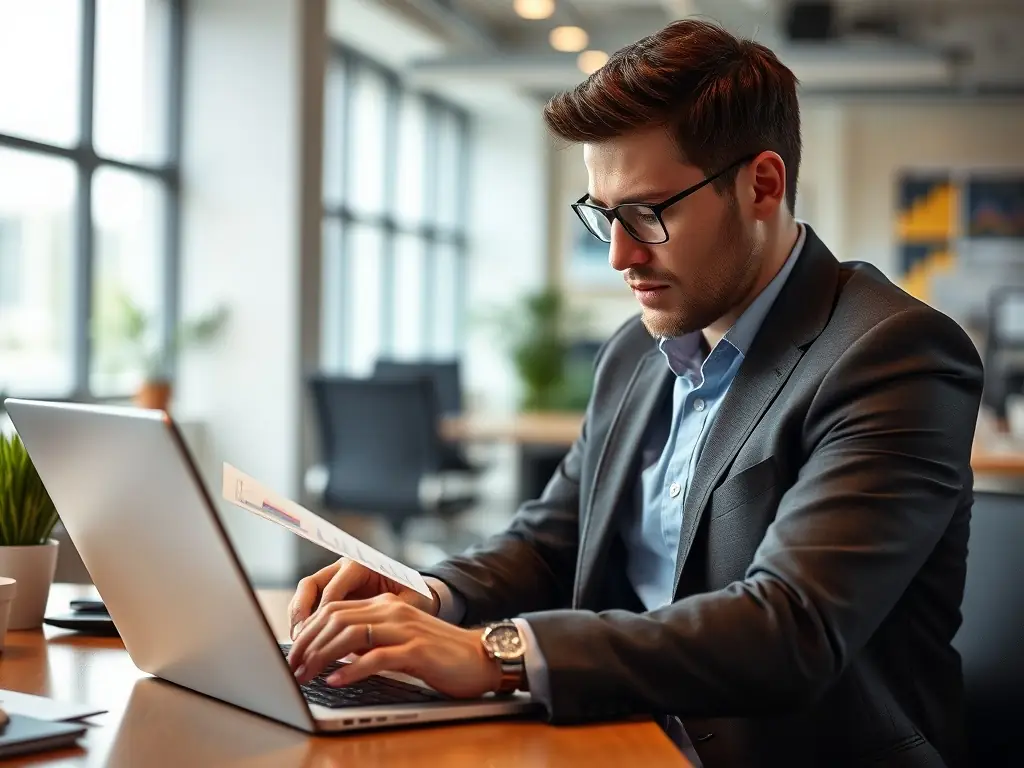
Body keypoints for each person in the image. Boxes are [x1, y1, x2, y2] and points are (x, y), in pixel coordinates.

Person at [287, 19, 983, 767]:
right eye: (603, 215)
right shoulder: (637, 351)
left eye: (649, 213)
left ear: (763, 184)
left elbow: (792, 625)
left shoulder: (894, 354)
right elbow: (552, 540)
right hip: (611, 733)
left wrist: (499, 652)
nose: (619, 255)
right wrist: (425, 595)